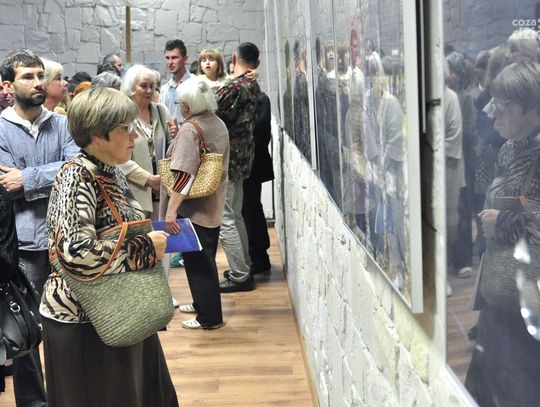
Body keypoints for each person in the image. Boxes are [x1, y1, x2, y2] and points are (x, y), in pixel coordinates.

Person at [40, 87, 178, 407]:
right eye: (125, 129)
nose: (134, 137)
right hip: (85, 320)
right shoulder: (76, 176)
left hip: (119, 310)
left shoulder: (109, 169)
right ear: (95, 134)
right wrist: (144, 249)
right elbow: (74, 253)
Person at [0, 49, 79, 407]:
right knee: (27, 331)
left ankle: (69, 397)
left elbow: (76, 168)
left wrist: (28, 178)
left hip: (67, 239)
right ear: (8, 85)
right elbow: (6, 187)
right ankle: (34, 403)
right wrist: (54, 174)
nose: (38, 83)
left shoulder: (63, 124)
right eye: (28, 77)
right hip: (23, 245)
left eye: (40, 75)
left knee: (69, 324)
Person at [464, 60, 540, 406]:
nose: (494, 113)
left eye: (504, 105)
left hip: (525, 309)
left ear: (530, 108)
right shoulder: (510, 148)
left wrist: (503, 224)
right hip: (499, 302)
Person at [164, 79, 229, 329]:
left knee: (199, 263)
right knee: (203, 258)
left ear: (187, 105)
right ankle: (202, 303)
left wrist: (171, 211)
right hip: (213, 203)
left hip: (195, 208)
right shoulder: (216, 121)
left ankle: (209, 317)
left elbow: (184, 174)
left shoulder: (190, 129)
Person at [215, 42, 261, 293]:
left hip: (228, 159)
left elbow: (212, 113)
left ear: (233, 59)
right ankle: (244, 266)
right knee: (236, 215)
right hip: (243, 159)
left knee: (226, 218)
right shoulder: (253, 85)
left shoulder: (232, 87)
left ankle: (240, 274)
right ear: (257, 63)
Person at [119, 64, 177, 219]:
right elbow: (117, 158)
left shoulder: (161, 111)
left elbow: (172, 149)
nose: (149, 91)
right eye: (144, 86)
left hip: (161, 193)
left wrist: (177, 136)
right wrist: (149, 179)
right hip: (132, 194)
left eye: (152, 86)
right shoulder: (121, 114)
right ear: (131, 87)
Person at [241, 91, 274, 275]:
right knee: (248, 210)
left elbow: (259, 136)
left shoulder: (259, 99)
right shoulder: (251, 97)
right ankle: (254, 256)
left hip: (251, 166)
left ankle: (259, 257)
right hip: (246, 166)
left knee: (251, 209)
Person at [161, 39, 192, 123]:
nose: (170, 62)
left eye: (174, 58)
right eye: (167, 58)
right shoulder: (164, 89)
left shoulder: (195, 84)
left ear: (185, 59)